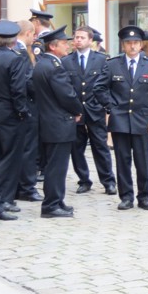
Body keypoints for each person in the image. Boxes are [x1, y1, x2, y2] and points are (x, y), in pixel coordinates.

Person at [105, 27, 148, 211]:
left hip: (142, 121)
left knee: (142, 161)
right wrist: (111, 107)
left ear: (141, 45)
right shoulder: (113, 64)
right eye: (129, 43)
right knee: (123, 161)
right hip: (120, 120)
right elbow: (100, 89)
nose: (132, 46)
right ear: (123, 45)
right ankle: (126, 197)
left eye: (136, 43)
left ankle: (144, 197)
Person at [32, 26, 83, 219]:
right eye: (64, 43)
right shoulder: (54, 67)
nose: (67, 45)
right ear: (53, 47)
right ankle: (51, 205)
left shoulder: (42, 64)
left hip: (49, 121)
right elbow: (67, 95)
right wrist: (77, 110)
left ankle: (57, 200)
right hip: (58, 123)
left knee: (55, 165)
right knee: (57, 166)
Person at [63, 26, 116, 196]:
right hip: (76, 111)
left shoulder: (101, 60)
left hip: (95, 110)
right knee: (76, 148)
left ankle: (108, 181)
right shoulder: (66, 61)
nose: (77, 40)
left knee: (100, 146)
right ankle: (84, 180)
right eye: (76, 37)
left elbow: (107, 85)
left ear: (90, 40)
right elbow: (65, 87)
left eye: (81, 37)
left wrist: (105, 105)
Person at [0, 21, 32, 220]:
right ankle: (5, 199)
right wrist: (22, 112)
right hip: (10, 115)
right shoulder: (15, 59)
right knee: (10, 158)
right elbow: (18, 90)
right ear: (14, 40)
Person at [13, 19, 42, 203]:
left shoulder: (16, 50)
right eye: (33, 34)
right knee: (28, 150)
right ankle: (27, 187)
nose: (35, 38)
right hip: (27, 107)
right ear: (28, 34)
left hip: (20, 107)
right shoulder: (21, 52)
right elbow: (26, 82)